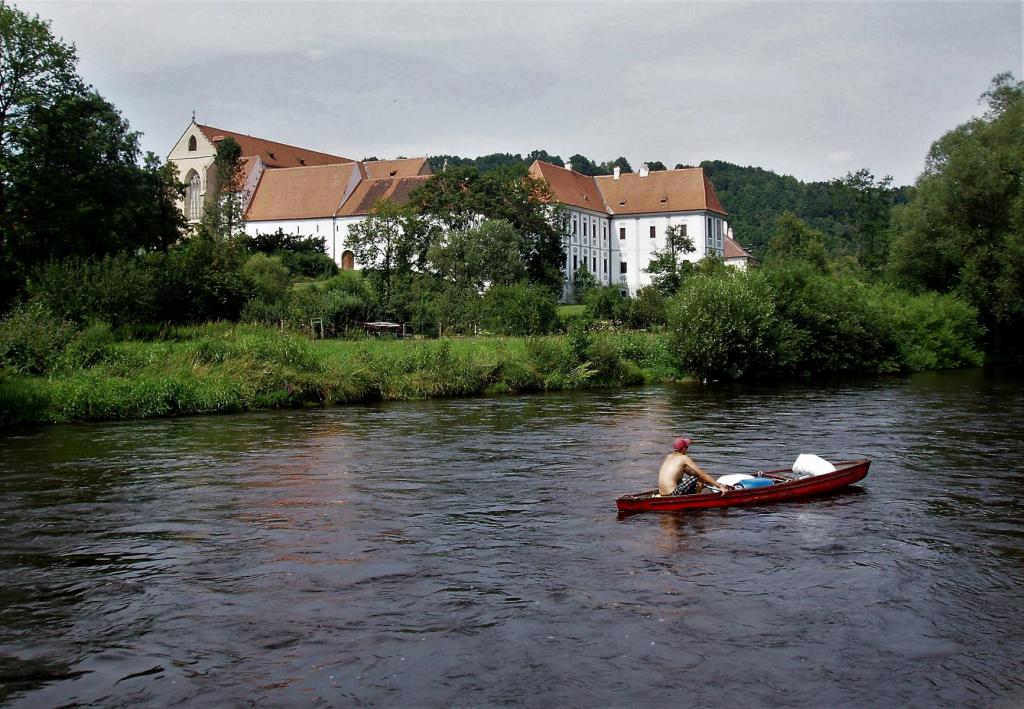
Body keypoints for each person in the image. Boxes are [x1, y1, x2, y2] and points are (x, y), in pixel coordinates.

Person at [657, 438, 730, 496]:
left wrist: (707, 482)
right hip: (673, 493)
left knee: (696, 476)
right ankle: (696, 497)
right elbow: (702, 474)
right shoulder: (683, 458)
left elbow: (687, 472)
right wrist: (720, 486)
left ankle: (697, 490)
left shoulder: (669, 456)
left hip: (662, 493)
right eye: (687, 447)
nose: (687, 449)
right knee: (699, 475)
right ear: (683, 449)